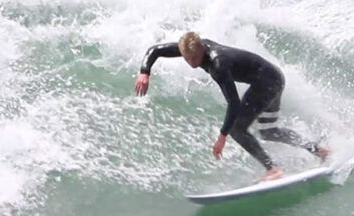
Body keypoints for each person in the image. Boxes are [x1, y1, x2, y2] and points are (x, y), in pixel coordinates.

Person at [134, 31, 329, 181]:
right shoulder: (191, 48)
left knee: (237, 129)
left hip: (269, 83)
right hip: (273, 78)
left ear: (201, 49)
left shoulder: (218, 64)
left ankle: (273, 169)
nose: (190, 62)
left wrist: (222, 136)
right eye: (186, 58)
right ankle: (318, 150)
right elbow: (156, 50)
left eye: (193, 58)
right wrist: (145, 72)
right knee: (270, 131)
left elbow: (233, 103)